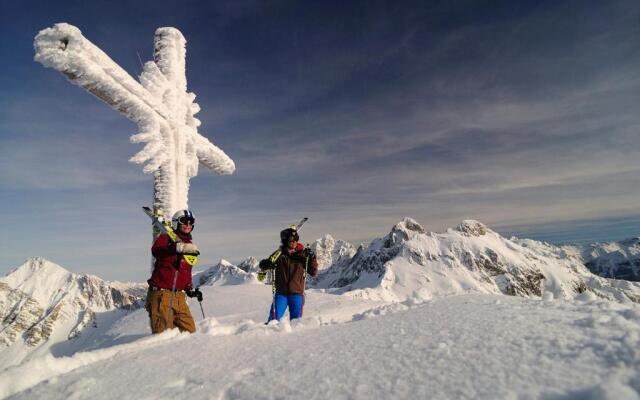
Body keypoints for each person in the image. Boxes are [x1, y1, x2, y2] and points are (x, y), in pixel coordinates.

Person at [145, 209, 202, 334]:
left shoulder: (189, 245)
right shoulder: (166, 238)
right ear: (176, 222)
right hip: (162, 296)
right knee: (165, 338)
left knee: (190, 333)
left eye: (190, 222)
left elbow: (185, 271)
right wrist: (174, 248)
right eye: (184, 221)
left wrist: (189, 288)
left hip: (179, 297)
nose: (188, 225)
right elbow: (157, 251)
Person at [259, 227, 318, 322]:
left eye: (296, 239)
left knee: (296, 322)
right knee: (273, 319)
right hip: (281, 293)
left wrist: (312, 258)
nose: (294, 242)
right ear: (285, 240)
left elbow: (313, 272)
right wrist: (266, 264)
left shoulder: (302, 255)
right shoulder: (279, 255)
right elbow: (265, 264)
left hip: (297, 293)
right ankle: (270, 335)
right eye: (291, 240)